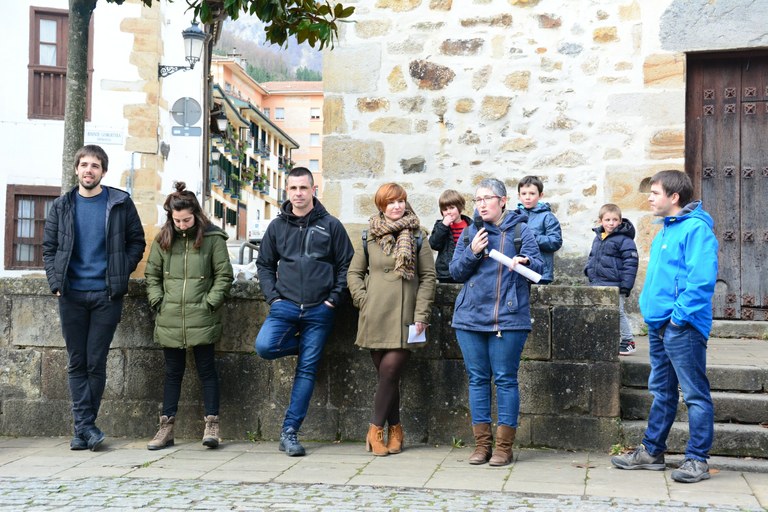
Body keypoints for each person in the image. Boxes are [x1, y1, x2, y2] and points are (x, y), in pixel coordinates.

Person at [611, 170, 719, 484]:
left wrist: (678, 318)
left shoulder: (696, 229)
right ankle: (651, 452)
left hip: (683, 327)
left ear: (674, 197)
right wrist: (654, 317)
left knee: (695, 394)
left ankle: (697, 460)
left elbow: (701, 281)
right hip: (660, 325)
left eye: (655, 193)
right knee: (662, 392)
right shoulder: (665, 230)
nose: (649, 198)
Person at [42, 144, 146, 451]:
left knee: (95, 362)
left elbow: (136, 242)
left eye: (95, 166)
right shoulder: (62, 206)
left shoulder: (120, 203)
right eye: (84, 165)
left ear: (103, 171)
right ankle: (85, 428)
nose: (89, 170)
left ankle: (83, 429)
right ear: (76, 169)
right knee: (77, 362)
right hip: (71, 294)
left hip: (106, 295)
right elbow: (49, 248)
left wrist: (121, 271)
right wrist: (55, 282)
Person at [255, 167, 354, 457]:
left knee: (306, 369)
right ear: (287, 191)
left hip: (319, 309)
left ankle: (289, 432)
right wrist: (273, 298)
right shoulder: (277, 227)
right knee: (264, 347)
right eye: (293, 188)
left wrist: (332, 300)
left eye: (303, 188)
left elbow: (346, 265)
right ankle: (311, 348)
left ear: (313, 190)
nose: (298, 193)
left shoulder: (331, 225)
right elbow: (264, 265)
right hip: (284, 305)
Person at [449, 178, 543, 466]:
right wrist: (472, 252)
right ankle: (482, 445)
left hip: (509, 318)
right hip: (470, 318)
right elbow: (455, 272)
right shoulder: (471, 232)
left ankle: (503, 447)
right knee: (477, 380)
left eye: (487, 198)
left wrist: (526, 262)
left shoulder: (521, 230)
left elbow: (541, 268)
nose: (481, 204)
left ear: (502, 201)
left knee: (505, 379)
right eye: (477, 199)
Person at [347, 183, 437, 456]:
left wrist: (421, 314)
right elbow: (354, 274)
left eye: (401, 201)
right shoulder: (369, 235)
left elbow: (428, 278)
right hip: (375, 315)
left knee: (388, 372)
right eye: (391, 202)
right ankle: (395, 429)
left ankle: (374, 430)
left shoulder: (418, 236)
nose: (397, 206)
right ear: (381, 206)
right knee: (389, 377)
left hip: (406, 316)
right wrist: (363, 300)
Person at [144, 182, 233, 451]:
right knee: (173, 373)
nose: (182, 225)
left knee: (207, 371)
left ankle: (212, 426)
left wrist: (209, 304)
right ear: (170, 217)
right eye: (177, 220)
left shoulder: (213, 239)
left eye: (186, 220)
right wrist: (158, 301)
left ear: (196, 214)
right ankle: (166, 428)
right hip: (170, 316)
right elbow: (152, 275)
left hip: (202, 316)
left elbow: (224, 275)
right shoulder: (162, 240)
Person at [584, 204, 639, 355]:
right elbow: (592, 257)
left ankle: (628, 341)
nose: (611, 223)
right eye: (607, 220)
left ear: (620, 221)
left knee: (618, 312)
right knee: (599, 313)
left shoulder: (625, 240)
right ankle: (604, 341)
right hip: (597, 283)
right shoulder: (598, 238)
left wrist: (626, 285)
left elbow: (631, 263)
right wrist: (588, 270)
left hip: (615, 284)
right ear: (600, 221)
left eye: (615, 220)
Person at [516, 176, 562, 284]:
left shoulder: (547, 217)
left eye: (532, 193)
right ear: (519, 196)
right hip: (518, 271)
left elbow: (555, 241)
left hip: (541, 272)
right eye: (524, 194)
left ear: (540, 195)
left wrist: (532, 238)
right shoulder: (515, 216)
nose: (527, 197)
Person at [428, 189, 471, 284]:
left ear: (460, 207)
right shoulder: (440, 226)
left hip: (466, 271)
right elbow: (434, 244)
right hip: (446, 273)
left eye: (452, 208)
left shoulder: (470, 225)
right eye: (445, 209)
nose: (448, 212)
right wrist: (444, 226)